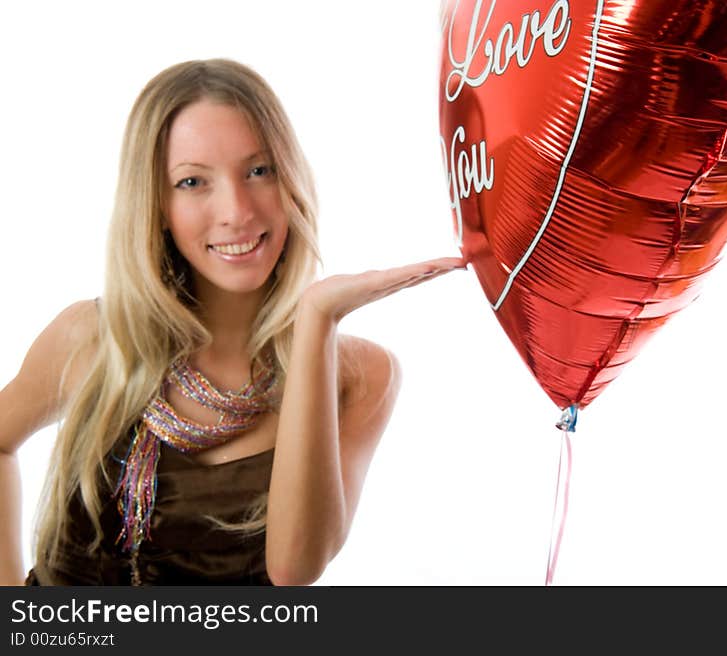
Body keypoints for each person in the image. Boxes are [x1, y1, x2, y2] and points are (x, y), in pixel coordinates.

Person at [0, 58, 464, 585]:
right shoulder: (90, 338)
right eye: (193, 181)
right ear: (155, 203)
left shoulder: (358, 376)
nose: (237, 210)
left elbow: (294, 570)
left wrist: (316, 319)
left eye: (259, 171)